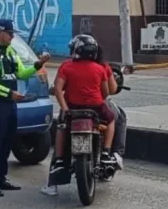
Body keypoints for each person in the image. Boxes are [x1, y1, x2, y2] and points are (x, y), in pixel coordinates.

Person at [0, 18, 49, 196]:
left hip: (9, 105)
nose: (12, 36)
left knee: (7, 141)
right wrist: (8, 94)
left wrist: (38, 64)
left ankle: (1, 177)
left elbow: (21, 73)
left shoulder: (10, 52)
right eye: (9, 33)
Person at [42, 34, 119, 196]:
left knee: (62, 127)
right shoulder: (100, 68)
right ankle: (106, 151)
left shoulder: (67, 66)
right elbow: (106, 93)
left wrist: (65, 108)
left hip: (73, 108)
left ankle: (61, 158)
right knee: (111, 119)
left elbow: (57, 89)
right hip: (96, 109)